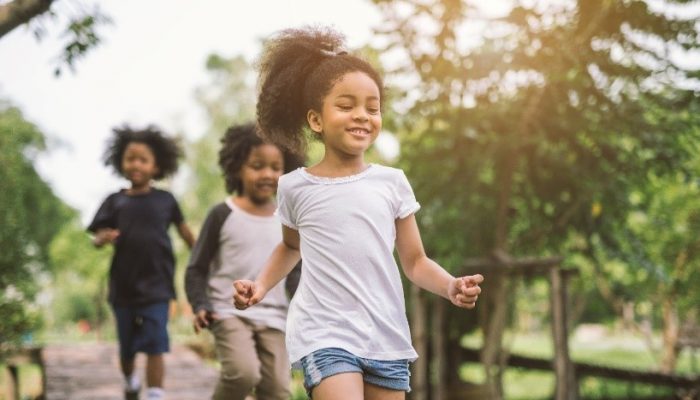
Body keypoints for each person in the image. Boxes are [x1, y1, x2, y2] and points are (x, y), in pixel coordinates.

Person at [232, 26, 484, 400]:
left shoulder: (392, 183)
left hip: (385, 336)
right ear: (316, 120)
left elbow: (414, 262)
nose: (362, 116)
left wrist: (449, 285)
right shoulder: (295, 187)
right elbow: (289, 247)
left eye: (373, 107)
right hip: (324, 332)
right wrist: (261, 285)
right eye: (346, 106)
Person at [184, 123, 303, 400]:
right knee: (242, 373)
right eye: (257, 165)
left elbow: (296, 270)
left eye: (276, 167)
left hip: (275, 316)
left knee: (277, 391)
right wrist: (200, 303)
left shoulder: (288, 218)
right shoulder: (222, 214)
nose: (268, 174)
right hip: (227, 312)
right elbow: (196, 268)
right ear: (237, 167)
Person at [88, 125, 195, 400]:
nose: (136, 164)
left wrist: (202, 254)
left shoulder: (165, 200)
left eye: (143, 159)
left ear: (156, 165)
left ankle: (155, 394)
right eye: (130, 158)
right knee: (127, 349)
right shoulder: (115, 201)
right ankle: (130, 381)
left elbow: (184, 231)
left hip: (158, 285)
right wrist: (102, 238)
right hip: (123, 286)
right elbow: (95, 237)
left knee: (156, 343)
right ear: (120, 162)